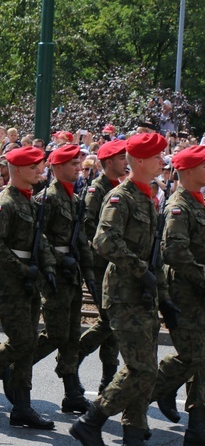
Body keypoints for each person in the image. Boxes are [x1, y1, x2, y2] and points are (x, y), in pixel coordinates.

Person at [70, 133, 179, 444]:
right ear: (141, 161)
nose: (163, 161)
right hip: (124, 293)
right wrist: (139, 269)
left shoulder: (147, 197)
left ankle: (133, 431)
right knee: (141, 369)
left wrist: (164, 298)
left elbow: (153, 254)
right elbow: (103, 240)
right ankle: (92, 420)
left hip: (143, 294)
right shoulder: (122, 197)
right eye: (158, 156)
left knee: (143, 370)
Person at [0, 145, 56, 430]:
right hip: (10, 282)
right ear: (17, 170)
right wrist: (21, 269)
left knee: (27, 346)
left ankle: (22, 406)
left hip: (29, 281)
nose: (39, 171)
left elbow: (38, 240)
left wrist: (49, 268)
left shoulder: (28, 201)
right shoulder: (4, 203)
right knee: (22, 342)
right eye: (33, 167)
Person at [25, 144, 95, 414]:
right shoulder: (47, 199)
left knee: (71, 335)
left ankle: (72, 390)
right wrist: (57, 258)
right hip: (53, 272)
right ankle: (15, 367)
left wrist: (87, 271)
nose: (78, 168)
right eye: (72, 164)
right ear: (56, 167)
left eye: (79, 163)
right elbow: (37, 237)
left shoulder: (75, 199)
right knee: (56, 333)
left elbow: (80, 240)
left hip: (72, 271)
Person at [147, 145, 205, 442]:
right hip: (186, 290)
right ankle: (152, 389)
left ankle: (197, 424)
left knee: (201, 358)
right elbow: (174, 251)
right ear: (189, 171)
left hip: (198, 289)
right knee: (193, 357)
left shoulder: (198, 202)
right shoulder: (178, 205)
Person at [76, 140, 126, 395]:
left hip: (114, 262)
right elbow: (89, 225)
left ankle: (108, 377)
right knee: (109, 319)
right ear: (108, 163)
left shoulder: (118, 186)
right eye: (120, 158)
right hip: (101, 263)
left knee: (111, 321)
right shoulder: (97, 189)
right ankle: (74, 357)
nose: (125, 161)